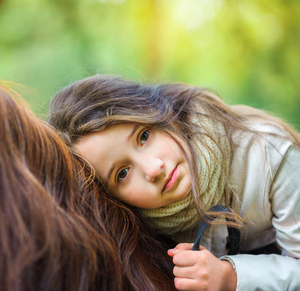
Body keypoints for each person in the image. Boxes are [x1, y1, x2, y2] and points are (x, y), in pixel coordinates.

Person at [48, 74, 300, 290]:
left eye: (144, 136)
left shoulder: (268, 153)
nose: (153, 168)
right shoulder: (136, 226)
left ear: (162, 114)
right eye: (122, 174)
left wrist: (231, 277)